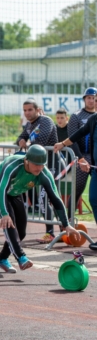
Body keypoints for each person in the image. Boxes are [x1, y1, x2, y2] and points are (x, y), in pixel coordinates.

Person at [0, 145, 77, 272]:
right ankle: (21, 257)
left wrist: (66, 224)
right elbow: (2, 189)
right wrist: (5, 213)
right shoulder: (13, 165)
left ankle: (2, 258)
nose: (39, 168)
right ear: (26, 160)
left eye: (42, 165)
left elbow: (56, 199)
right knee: (9, 222)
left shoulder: (44, 173)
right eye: (35, 164)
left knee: (21, 232)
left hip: (15, 193)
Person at [54, 106, 97, 250]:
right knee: (94, 199)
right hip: (94, 168)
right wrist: (62, 144)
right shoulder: (93, 119)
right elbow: (79, 134)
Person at [17, 100, 59, 243]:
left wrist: (27, 143)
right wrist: (21, 140)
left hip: (52, 165)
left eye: (30, 110)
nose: (27, 113)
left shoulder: (45, 121)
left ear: (37, 110)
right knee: (49, 198)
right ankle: (59, 230)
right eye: (25, 110)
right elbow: (21, 136)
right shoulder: (29, 124)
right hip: (40, 166)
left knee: (45, 198)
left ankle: (52, 232)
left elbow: (40, 143)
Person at [65, 87, 97, 220]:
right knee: (77, 188)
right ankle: (68, 220)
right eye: (89, 98)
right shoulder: (76, 116)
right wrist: (80, 158)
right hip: (81, 156)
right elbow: (73, 139)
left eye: (94, 98)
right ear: (84, 99)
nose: (91, 100)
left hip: (94, 157)